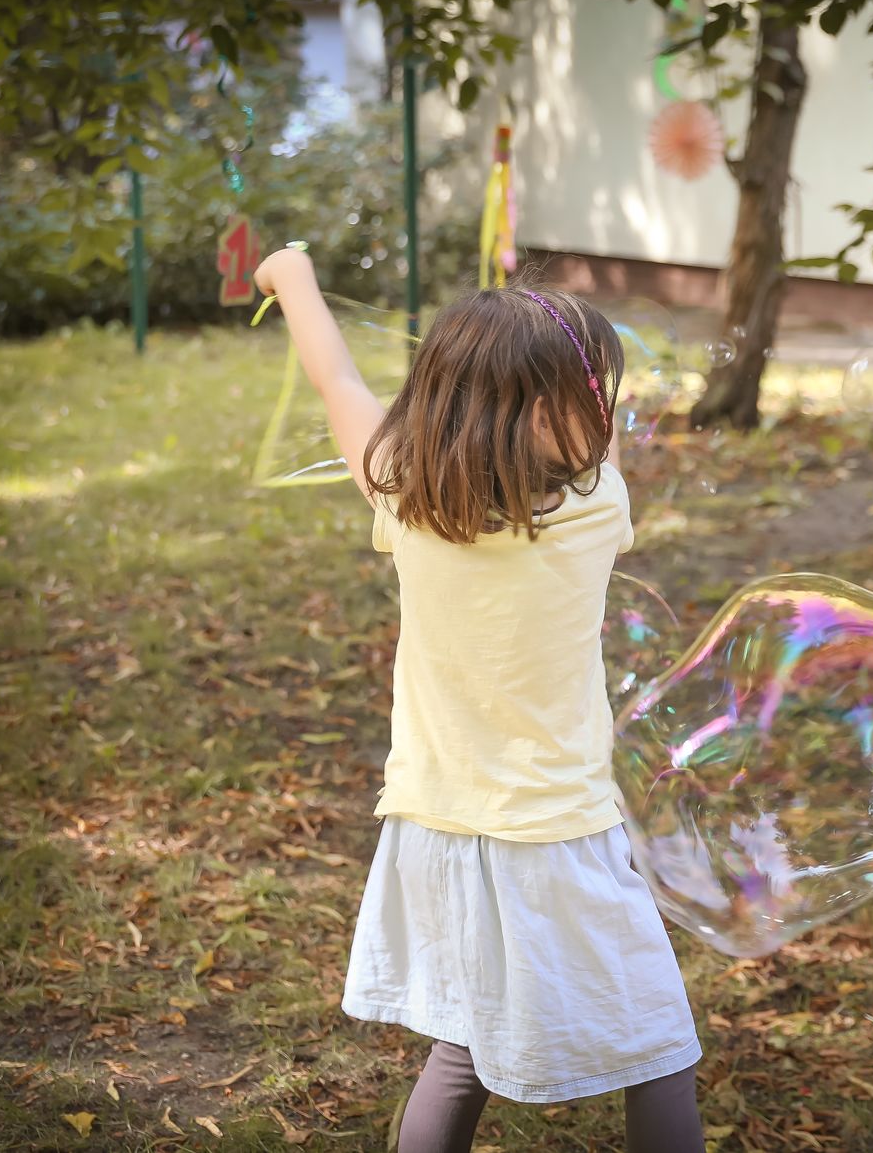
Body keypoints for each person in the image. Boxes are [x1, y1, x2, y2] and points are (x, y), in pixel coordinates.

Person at [252, 247, 705, 1153]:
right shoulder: (594, 509)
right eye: (592, 388)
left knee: (460, 1051)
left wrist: (290, 278)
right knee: (659, 1049)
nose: (606, 409)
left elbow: (337, 375)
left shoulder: (403, 491)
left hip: (435, 827)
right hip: (555, 835)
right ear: (548, 415)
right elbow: (595, 447)